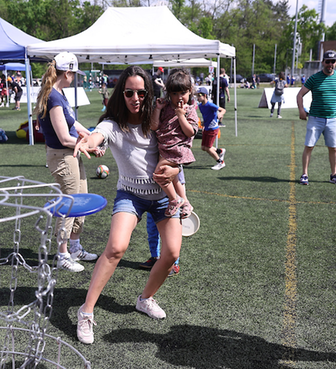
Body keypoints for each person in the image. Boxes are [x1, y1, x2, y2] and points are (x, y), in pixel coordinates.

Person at [72, 65, 183, 344]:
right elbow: (97, 135)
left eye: (141, 93)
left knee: (171, 253)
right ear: (121, 93)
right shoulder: (113, 124)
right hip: (130, 195)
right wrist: (87, 142)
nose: (136, 98)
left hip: (163, 197)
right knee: (116, 248)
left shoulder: (158, 118)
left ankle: (145, 299)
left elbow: (177, 153)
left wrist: (176, 177)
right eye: (129, 92)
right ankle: (85, 312)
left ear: (149, 94)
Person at [35, 52, 99, 273]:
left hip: (71, 154)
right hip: (62, 156)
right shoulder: (53, 97)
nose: (75, 78)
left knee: (81, 202)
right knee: (70, 205)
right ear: (67, 73)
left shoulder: (58, 94)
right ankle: (63, 254)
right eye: (74, 74)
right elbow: (64, 138)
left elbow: (73, 123)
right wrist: (87, 145)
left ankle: (74, 248)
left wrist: (90, 136)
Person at [297, 50, 336, 185]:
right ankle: (304, 174)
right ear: (323, 62)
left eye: (333, 62)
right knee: (309, 146)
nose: (330, 64)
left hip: (332, 119)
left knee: (333, 148)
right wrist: (301, 110)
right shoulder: (314, 78)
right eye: (328, 61)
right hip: (315, 118)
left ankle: (334, 175)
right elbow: (300, 95)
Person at [150, 69, 199, 216]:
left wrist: (180, 116)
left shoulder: (189, 110)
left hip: (177, 149)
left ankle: (174, 199)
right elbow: (154, 126)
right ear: (169, 93)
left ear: (190, 91)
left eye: (183, 93)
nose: (179, 97)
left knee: (159, 174)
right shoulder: (165, 107)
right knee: (172, 177)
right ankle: (186, 203)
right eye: (174, 94)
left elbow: (190, 132)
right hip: (164, 148)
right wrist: (158, 109)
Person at [196, 86, 226, 170]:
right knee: (203, 148)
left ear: (205, 95)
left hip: (213, 129)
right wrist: (203, 124)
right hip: (206, 128)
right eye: (197, 95)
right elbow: (206, 116)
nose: (197, 97)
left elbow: (223, 110)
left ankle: (220, 162)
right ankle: (220, 151)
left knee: (208, 148)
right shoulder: (200, 106)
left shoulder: (210, 105)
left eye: (199, 95)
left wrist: (220, 114)